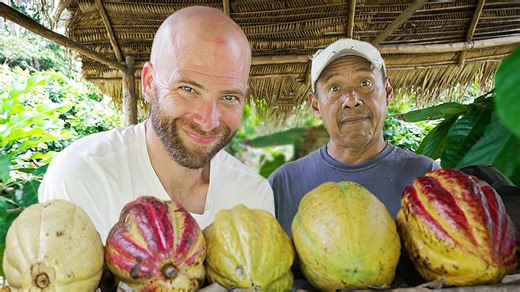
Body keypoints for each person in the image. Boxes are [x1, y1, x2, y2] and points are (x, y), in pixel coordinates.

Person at [38, 6, 274, 243]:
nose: (208, 120)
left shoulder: (252, 196)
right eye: (188, 89)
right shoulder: (86, 175)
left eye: (229, 97)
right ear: (150, 83)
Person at [268, 38, 440, 238]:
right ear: (315, 106)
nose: (351, 100)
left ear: (387, 92)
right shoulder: (283, 184)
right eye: (334, 88)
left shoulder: (426, 178)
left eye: (365, 83)